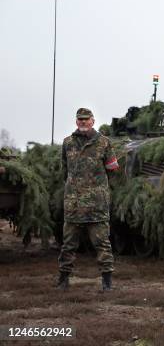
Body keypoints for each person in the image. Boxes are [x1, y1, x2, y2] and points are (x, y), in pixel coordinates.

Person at [57, 108, 119, 291]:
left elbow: (113, 170)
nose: (83, 122)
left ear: (93, 121)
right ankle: (63, 279)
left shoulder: (104, 143)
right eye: (80, 120)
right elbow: (64, 170)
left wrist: (98, 189)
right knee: (67, 244)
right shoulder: (67, 143)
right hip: (74, 204)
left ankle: (107, 282)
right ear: (76, 122)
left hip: (96, 205)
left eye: (87, 119)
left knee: (102, 244)